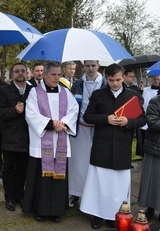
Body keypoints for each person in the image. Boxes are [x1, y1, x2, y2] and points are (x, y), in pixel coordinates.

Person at [79, 63, 146, 229]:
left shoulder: (133, 95)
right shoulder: (98, 94)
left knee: (118, 187)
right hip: (102, 145)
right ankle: (97, 215)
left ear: (123, 77)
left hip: (122, 147)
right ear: (106, 78)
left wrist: (128, 121)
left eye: (117, 79)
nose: (115, 83)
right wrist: (106, 119)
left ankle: (114, 215)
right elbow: (88, 117)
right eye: (111, 80)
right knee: (99, 184)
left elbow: (142, 119)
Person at [22, 62, 78, 222]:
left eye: (58, 74)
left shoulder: (66, 93)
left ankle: (57, 211)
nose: (56, 77)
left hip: (60, 140)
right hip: (42, 142)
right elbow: (30, 113)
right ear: (44, 75)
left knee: (58, 177)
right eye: (53, 74)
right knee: (41, 179)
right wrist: (51, 124)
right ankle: (40, 210)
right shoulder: (34, 92)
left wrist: (64, 123)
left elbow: (74, 110)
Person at [68, 60, 106, 207]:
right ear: (84, 66)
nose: (90, 69)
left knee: (96, 165)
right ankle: (76, 193)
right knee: (78, 164)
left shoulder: (105, 83)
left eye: (93, 65)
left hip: (100, 128)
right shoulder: (77, 84)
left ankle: (94, 196)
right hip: (81, 128)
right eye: (88, 66)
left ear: (98, 66)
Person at [0, 62, 32, 211]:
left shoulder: (33, 90)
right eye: (17, 71)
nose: (20, 74)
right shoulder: (4, 91)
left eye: (23, 71)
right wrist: (13, 110)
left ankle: (20, 196)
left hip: (27, 136)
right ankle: (9, 197)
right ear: (12, 74)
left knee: (23, 169)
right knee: (9, 169)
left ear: (27, 73)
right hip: (10, 136)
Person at [138, 91, 160, 221]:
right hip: (155, 147)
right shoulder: (155, 101)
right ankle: (150, 208)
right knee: (152, 180)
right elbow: (152, 122)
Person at [139, 75, 160, 155]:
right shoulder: (147, 91)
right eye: (154, 79)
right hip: (155, 142)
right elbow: (153, 123)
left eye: (158, 79)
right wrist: (140, 91)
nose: (156, 81)